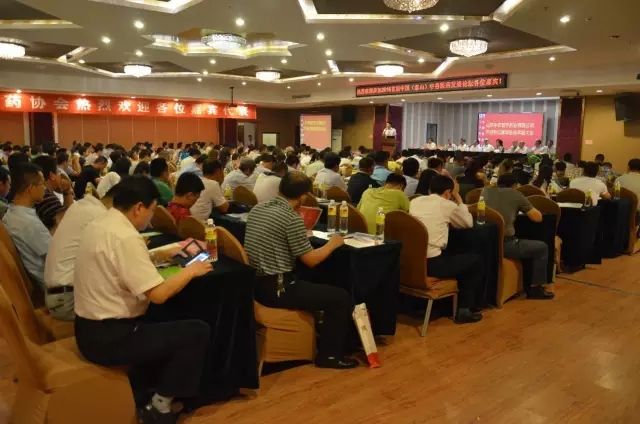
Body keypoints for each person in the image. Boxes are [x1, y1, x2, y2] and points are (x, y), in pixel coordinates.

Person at [73, 175, 212, 424]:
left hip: (87, 328)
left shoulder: (101, 223)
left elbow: (118, 265)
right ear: (139, 207)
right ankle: (160, 406)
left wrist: (158, 255)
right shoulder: (125, 237)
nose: (151, 217)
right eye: (152, 209)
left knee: (165, 320)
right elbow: (158, 295)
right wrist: (192, 270)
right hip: (110, 338)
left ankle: (144, 387)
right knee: (196, 332)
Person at [245, 171, 357, 369]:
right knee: (340, 298)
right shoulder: (291, 218)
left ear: (280, 189)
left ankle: (323, 335)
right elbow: (311, 260)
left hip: (255, 283)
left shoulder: (258, 209)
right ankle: (330, 356)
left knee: (316, 282)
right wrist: (333, 243)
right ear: (304, 196)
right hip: (278, 288)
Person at [409, 175, 483, 323]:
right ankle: (464, 310)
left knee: (454, 255)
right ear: (448, 192)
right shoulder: (447, 205)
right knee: (475, 261)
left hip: (411, 260)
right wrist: (458, 198)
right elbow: (467, 223)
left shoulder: (415, 201)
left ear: (430, 189)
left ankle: (442, 306)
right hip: (432, 263)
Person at [44, 185, 116, 321]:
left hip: (58, 296)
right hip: (68, 301)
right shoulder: (100, 216)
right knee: (130, 306)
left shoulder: (80, 206)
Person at [482, 174, 554, 299]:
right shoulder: (516, 194)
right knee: (541, 248)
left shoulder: (485, 191)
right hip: (505, 244)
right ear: (515, 185)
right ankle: (535, 288)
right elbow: (537, 218)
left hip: (485, 240)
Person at [2, 163, 50, 294]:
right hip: (51, 284)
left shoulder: (11, 213)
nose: (45, 188)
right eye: (42, 184)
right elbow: (54, 256)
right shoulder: (28, 223)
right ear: (31, 188)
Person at [32, 155, 73, 231]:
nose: (60, 176)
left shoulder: (39, 192)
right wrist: (68, 191)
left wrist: (66, 191)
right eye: (58, 172)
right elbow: (68, 223)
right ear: (52, 175)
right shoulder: (46, 197)